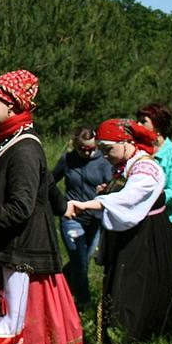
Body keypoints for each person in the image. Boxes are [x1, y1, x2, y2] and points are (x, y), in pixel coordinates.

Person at [0, 70, 83, 344]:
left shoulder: (22, 148)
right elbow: (48, 184)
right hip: (12, 249)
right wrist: (64, 207)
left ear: (10, 102)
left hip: (16, 253)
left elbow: (20, 208)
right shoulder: (15, 139)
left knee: (3, 323)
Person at [66, 118, 172, 344]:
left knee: (136, 289)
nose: (104, 155)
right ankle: (117, 343)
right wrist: (109, 188)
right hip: (131, 234)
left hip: (147, 237)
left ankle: (132, 343)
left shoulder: (146, 168)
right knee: (122, 285)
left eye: (108, 149)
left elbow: (129, 198)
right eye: (100, 150)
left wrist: (86, 204)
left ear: (126, 142)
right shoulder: (126, 164)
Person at [52, 128, 113, 310]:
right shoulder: (68, 159)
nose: (87, 152)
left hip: (94, 219)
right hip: (72, 218)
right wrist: (60, 205)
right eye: (83, 149)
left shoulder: (103, 161)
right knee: (79, 262)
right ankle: (84, 303)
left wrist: (105, 188)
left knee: (83, 262)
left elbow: (114, 185)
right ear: (75, 145)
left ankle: (59, 287)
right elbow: (50, 181)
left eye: (90, 148)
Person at [136, 102, 172, 242]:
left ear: (157, 125)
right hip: (138, 218)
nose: (138, 125)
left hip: (165, 219)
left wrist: (148, 196)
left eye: (143, 122)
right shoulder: (135, 150)